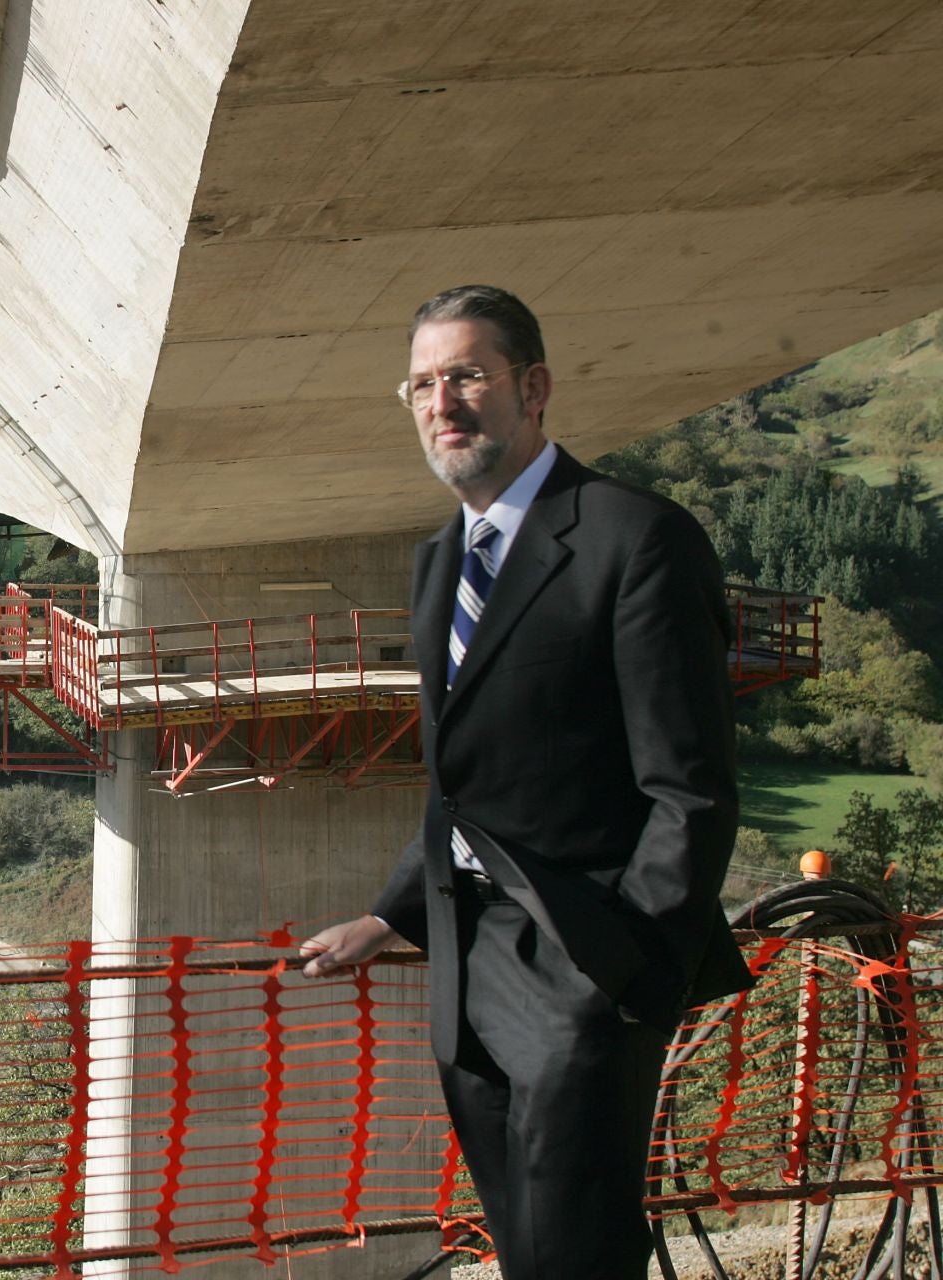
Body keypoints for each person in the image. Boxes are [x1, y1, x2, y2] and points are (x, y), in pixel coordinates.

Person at [298, 285, 750, 1279]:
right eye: (422, 382)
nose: (442, 402)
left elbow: (694, 790)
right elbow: (466, 786)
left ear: (533, 387)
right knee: (528, 1251)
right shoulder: (438, 562)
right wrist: (391, 914)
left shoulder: (634, 538)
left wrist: (617, 975)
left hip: (580, 961)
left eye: (468, 373)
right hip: (465, 966)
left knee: (575, 1256)